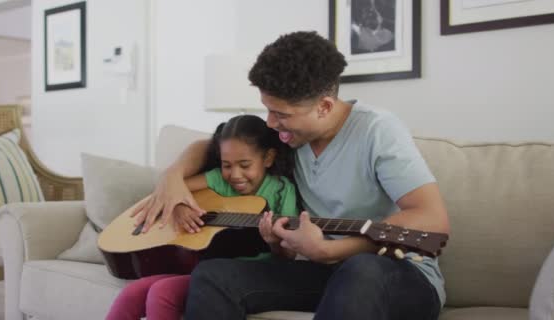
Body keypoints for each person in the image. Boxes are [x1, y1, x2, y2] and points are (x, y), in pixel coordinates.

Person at [133, 31, 450, 320]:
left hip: (399, 274)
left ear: (324, 107)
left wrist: (329, 250)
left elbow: (432, 218)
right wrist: (172, 178)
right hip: (325, 273)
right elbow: (209, 145)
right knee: (213, 276)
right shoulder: (289, 135)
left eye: (280, 114)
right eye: (267, 110)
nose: (270, 123)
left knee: (361, 270)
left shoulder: (378, 130)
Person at [106, 115, 299, 320]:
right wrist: (179, 205)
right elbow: (173, 189)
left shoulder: (281, 190)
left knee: (161, 293)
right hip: (201, 265)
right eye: (227, 165)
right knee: (130, 294)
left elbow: (288, 256)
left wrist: (274, 242)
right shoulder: (219, 180)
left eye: (244, 165)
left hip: (244, 274)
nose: (235, 174)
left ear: (268, 158)